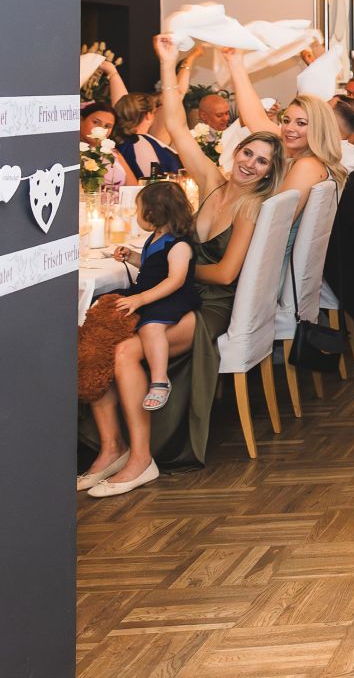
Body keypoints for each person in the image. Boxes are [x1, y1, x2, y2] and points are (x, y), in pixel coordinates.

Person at [79, 34, 286, 487]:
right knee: (99, 333)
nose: (250, 164)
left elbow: (226, 274)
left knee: (125, 350)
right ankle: (112, 448)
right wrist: (169, 61)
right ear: (235, 152)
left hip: (211, 305)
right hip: (178, 291)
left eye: (262, 162)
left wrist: (176, 268)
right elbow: (174, 124)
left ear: (271, 172)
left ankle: (140, 458)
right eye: (247, 153)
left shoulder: (251, 207)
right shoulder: (212, 180)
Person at [107, 181, 201, 420]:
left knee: (151, 326)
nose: (136, 215)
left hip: (174, 297)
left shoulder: (179, 245)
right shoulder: (157, 237)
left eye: (138, 210)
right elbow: (153, 266)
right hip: (153, 292)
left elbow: (175, 280)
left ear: (151, 213)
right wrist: (132, 256)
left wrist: (141, 298)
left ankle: (160, 380)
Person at [221, 50, 347, 212]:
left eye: (301, 123)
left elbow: (277, 219)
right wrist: (235, 62)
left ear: (318, 128)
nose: (289, 128)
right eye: (286, 120)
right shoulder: (302, 154)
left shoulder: (307, 165)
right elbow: (256, 118)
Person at [111, 92, 181, 182]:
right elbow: (152, 180)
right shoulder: (139, 143)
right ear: (148, 115)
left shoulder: (120, 142)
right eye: (154, 112)